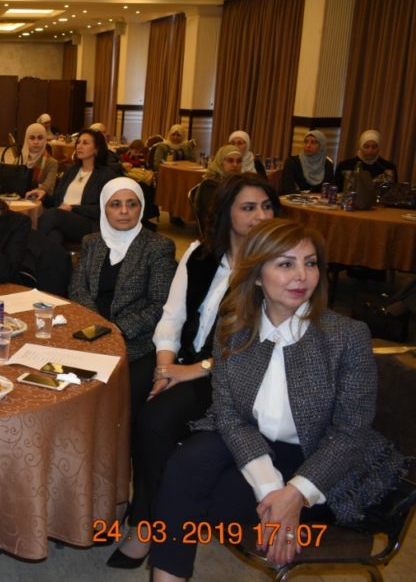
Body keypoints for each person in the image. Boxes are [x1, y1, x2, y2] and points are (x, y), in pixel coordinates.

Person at [149, 219, 409, 581]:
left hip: (320, 455)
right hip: (251, 438)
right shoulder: (234, 328)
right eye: (286, 264)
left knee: (197, 502)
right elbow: (229, 414)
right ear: (257, 275)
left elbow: (351, 433)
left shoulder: (347, 336)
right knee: (184, 467)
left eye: (310, 263)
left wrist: (295, 496)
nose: (302, 276)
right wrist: (271, 488)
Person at [107, 173, 279, 569]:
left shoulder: (276, 264)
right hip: (183, 354)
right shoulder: (201, 253)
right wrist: (165, 365)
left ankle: (148, 522)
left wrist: (195, 369)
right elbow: (173, 315)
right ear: (227, 213)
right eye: (248, 208)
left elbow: (264, 346)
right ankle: (130, 497)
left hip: (230, 371)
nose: (260, 216)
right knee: (124, 390)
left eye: (266, 206)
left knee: (156, 419)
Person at [69, 177, 176, 421]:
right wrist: (95, 326)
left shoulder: (158, 247)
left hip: (135, 340)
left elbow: (159, 304)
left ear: (142, 207)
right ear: (104, 207)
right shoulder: (92, 242)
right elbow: (77, 289)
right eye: (115, 204)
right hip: (89, 331)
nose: (124, 211)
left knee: (110, 397)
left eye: (132, 204)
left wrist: (117, 329)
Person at [38, 129, 118, 247]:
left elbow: (103, 209)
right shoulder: (71, 171)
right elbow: (57, 200)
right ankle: (56, 259)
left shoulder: (106, 176)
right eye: (78, 142)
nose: (79, 146)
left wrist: (73, 208)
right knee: (54, 235)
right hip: (61, 219)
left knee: (53, 215)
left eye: (85, 143)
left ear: (96, 149)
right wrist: (43, 195)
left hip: (87, 223)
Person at [190, 145, 242, 235]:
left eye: (239, 161)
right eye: (230, 161)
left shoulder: (239, 182)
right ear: (220, 162)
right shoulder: (209, 186)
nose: (235, 165)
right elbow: (215, 217)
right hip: (219, 233)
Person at [2, 122, 59, 201]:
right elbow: (11, 185)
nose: (36, 142)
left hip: (39, 202)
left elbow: (47, 188)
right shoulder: (18, 160)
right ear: (26, 140)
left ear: (45, 140)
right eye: (32, 138)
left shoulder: (51, 163)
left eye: (40, 138)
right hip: (17, 200)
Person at [334, 129, 398, 188]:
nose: (370, 150)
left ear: (379, 148)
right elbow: (335, 190)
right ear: (360, 147)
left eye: (374, 147)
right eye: (366, 146)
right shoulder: (345, 166)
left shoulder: (388, 168)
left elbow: (394, 193)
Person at [279, 129, 334, 194]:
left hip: (319, 200)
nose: (308, 145)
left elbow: (329, 191)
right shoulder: (292, 162)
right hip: (295, 199)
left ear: (321, 146)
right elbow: (287, 189)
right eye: (306, 142)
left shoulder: (327, 165)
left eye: (313, 142)